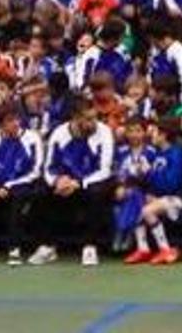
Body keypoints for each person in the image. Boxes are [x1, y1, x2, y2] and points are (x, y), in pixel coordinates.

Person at [29, 96, 115, 266]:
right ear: (75, 118)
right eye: (88, 119)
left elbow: (104, 169)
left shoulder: (104, 132)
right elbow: (49, 167)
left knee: (97, 192)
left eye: (95, 118)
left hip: (89, 182)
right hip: (65, 183)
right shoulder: (59, 133)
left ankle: (89, 247)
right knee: (39, 191)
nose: (94, 123)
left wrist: (79, 182)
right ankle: (47, 246)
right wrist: (57, 181)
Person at [0, 105, 43, 265]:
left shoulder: (32, 138)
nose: (15, 123)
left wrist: (8, 186)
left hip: (21, 185)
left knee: (18, 198)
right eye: (9, 121)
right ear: (1, 125)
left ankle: (14, 249)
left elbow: (35, 171)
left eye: (16, 119)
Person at [121, 117, 182, 265]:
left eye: (155, 132)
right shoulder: (158, 154)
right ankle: (143, 249)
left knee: (147, 211)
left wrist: (149, 173)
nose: (152, 135)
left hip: (177, 199)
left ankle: (165, 249)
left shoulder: (177, 153)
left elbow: (171, 184)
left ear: (164, 135)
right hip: (161, 199)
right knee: (137, 201)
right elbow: (152, 182)